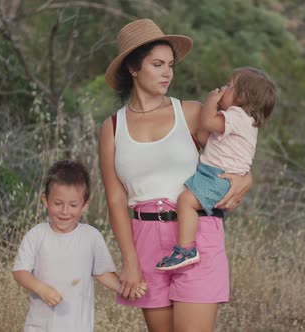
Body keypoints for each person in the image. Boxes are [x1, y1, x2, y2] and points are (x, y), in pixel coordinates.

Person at [98, 19, 252, 331]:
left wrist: (248, 179)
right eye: (157, 64)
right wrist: (129, 261)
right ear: (133, 67)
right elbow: (115, 200)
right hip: (145, 240)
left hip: (197, 235)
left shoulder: (193, 113)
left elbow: (238, 149)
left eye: (170, 65)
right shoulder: (112, 128)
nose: (168, 72)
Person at [156, 67, 277, 270]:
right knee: (188, 200)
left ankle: (186, 249)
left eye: (229, 86)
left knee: (185, 201)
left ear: (242, 96)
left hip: (218, 177)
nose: (223, 88)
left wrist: (211, 100)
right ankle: (185, 248)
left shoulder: (237, 116)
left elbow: (207, 122)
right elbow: (207, 139)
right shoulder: (242, 120)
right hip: (217, 175)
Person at [12, 160, 146, 332]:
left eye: (73, 205)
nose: (65, 211)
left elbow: (102, 272)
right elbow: (20, 271)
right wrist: (41, 289)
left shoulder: (91, 237)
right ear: (45, 201)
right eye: (58, 203)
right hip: (41, 327)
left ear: (84, 205)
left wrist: (125, 288)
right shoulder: (37, 235)